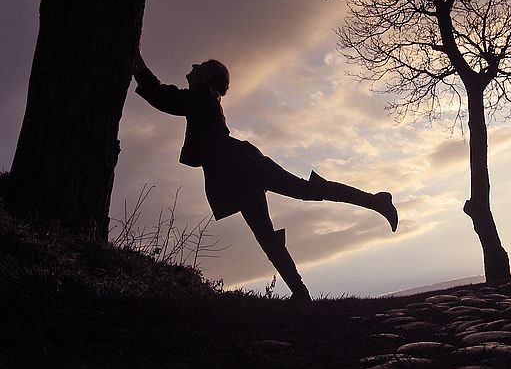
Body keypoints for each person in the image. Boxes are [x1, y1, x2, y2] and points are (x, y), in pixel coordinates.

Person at [131, 50, 398, 303]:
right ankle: (301, 293)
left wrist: (138, 64)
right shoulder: (205, 96)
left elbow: (163, 97)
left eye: (199, 66)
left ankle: (376, 202)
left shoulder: (202, 94)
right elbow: (167, 99)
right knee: (268, 230)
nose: (192, 68)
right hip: (235, 172)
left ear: (208, 78)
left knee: (297, 201)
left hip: (241, 167)